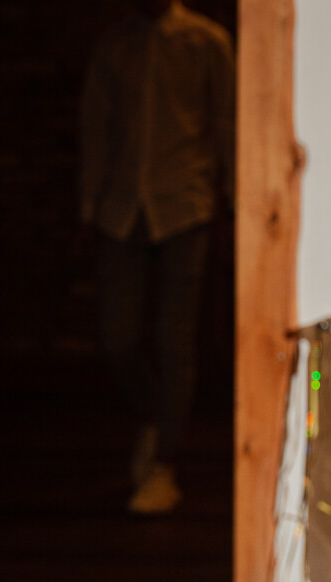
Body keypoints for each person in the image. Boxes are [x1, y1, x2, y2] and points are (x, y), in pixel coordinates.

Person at [79, 0, 234, 514]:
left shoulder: (207, 43)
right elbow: (96, 127)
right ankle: (155, 415)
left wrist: (234, 200)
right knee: (117, 337)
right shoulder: (115, 48)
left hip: (186, 202)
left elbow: (227, 122)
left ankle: (165, 460)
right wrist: (89, 204)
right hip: (122, 206)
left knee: (175, 338)